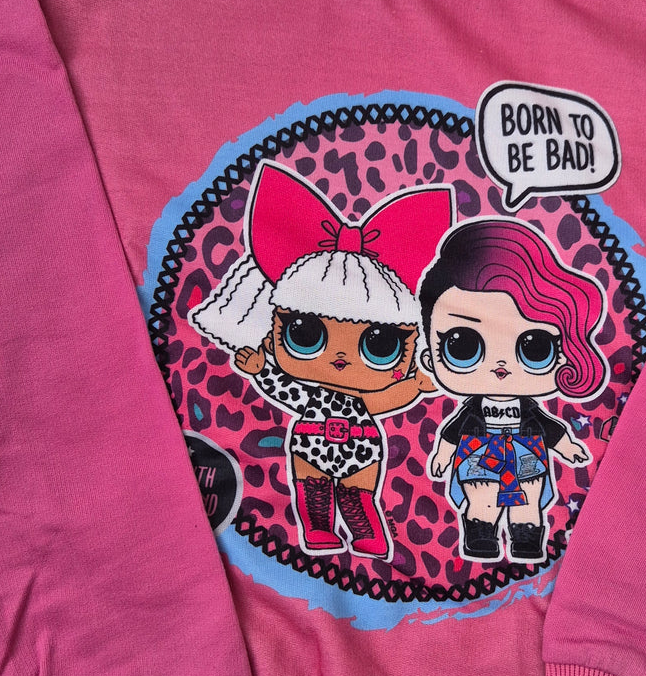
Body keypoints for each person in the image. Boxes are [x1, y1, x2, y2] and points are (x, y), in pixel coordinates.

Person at [190, 162, 452, 559]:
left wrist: (414, 384)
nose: (342, 358)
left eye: (380, 344)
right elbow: (288, 390)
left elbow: (382, 400)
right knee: (314, 495)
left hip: (361, 445)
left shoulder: (366, 398)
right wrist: (262, 368)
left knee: (358, 497)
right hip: (310, 440)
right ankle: (318, 530)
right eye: (306, 335)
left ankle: (364, 533)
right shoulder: (311, 394)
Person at [418, 218, 607, 563]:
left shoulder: (529, 408)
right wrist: (443, 455)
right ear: (430, 357)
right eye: (463, 346)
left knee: (528, 501)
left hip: (526, 451)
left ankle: (526, 536)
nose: (501, 365)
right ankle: (481, 533)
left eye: (535, 347)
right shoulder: (472, 408)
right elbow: (453, 429)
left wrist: (566, 446)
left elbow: (549, 426)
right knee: (482, 499)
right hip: (479, 451)